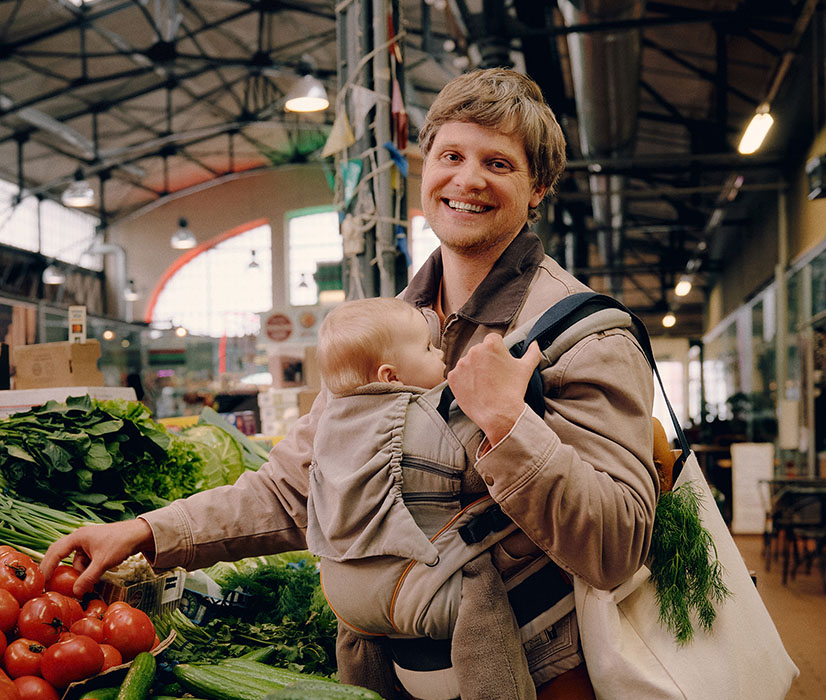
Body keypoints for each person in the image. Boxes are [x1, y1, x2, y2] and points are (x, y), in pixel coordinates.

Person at [41, 68, 659, 699]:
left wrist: (509, 425)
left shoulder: (586, 337)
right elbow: (297, 487)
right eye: (450, 155)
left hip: (540, 674)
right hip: (385, 677)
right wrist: (146, 533)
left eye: (498, 163)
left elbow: (618, 543)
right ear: (426, 169)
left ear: (539, 188)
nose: (467, 180)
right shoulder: (385, 330)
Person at [307, 296, 538, 700]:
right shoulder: (430, 416)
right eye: (430, 349)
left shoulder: (327, 427)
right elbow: (478, 469)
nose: (443, 358)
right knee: (482, 602)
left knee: (360, 655)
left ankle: (362, 690)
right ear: (390, 375)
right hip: (421, 594)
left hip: (344, 595)